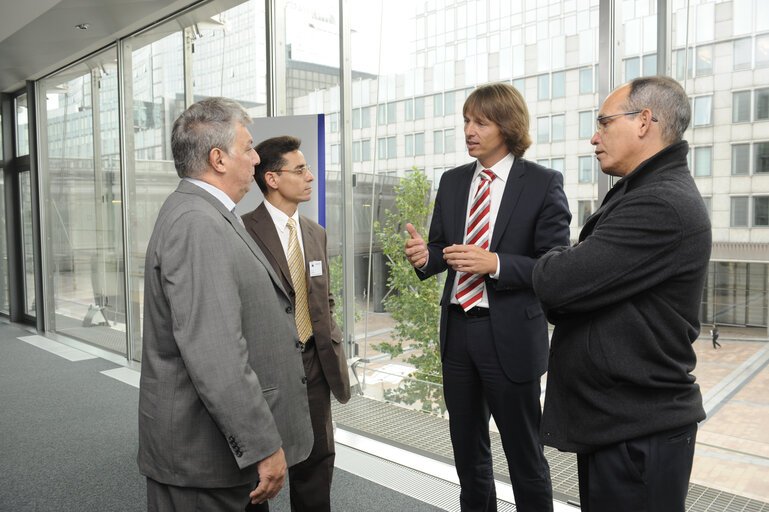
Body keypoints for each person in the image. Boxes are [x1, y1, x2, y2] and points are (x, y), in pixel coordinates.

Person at [532, 76, 711, 512]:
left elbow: (556, 283)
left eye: (604, 123)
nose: (594, 137)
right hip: (621, 423)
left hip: (637, 432)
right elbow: (566, 292)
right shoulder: (642, 191)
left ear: (644, 121)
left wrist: (559, 261)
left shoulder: (660, 204)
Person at [137, 98, 313, 512]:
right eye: (248, 147)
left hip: (216, 457)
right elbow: (215, 352)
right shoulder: (197, 223)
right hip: (205, 459)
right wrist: (263, 446)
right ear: (218, 158)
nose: (256, 159)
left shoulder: (213, 214)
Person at [404, 82, 571, 512]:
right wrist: (426, 257)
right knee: (468, 454)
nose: (469, 130)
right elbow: (445, 250)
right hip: (458, 332)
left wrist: (494, 263)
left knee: (524, 457)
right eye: (466, 120)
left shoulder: (542, 183)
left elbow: (555, 267)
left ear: (507, 126)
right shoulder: (454, 181)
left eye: (480, 121)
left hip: (510, 337)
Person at [242, 135, 350, 511]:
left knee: (317, 467)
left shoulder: (314, 233)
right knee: (259, 474)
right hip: (265, 370)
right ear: (272, 178)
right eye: (300, 169)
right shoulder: (241, 231)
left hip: (315, 365)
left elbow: (323, 299)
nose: (310, 177)